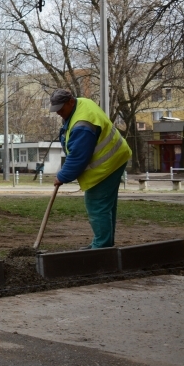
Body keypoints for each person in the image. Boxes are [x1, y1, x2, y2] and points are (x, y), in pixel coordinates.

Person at [50, 88, 132, 249]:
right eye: (56, 109)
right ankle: (104, 243)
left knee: (97, 204)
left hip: (108, 164)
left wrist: (62, 176)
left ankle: (101, 246)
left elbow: (78, 156)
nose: (58, 113)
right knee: (105, 205)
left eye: (61, 109)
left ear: (70, 102)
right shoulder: (82, 104)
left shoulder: (82, 124)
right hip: (116, 157)